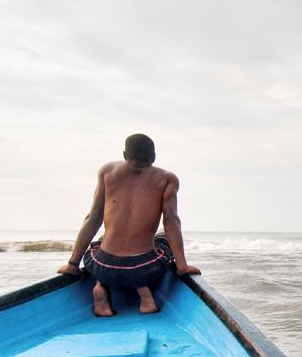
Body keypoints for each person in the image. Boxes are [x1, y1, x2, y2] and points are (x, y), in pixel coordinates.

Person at [57, 133, 200, 316]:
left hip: (103, 266)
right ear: (154, 157)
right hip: (146, 269)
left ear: (125, 155)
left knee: (101, 242)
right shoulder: (167, 179)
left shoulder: (107, 171)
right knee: (162, 239)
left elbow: (93, 218)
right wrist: (182, 266)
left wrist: (73, 264)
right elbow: (171, 220)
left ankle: (101, 285)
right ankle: (145, 296)